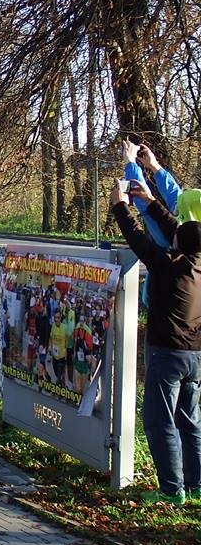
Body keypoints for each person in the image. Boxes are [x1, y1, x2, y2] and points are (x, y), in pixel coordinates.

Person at [114, 179, 201, 504]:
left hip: (168, 353)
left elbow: (139, 240)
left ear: (179, 243)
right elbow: (179, 230)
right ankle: (195, 483)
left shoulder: (169, 266)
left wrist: (120, 205)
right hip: (196, 354)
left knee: (159, 420)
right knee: (190, 420)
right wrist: (149, 202)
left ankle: (170, 488)